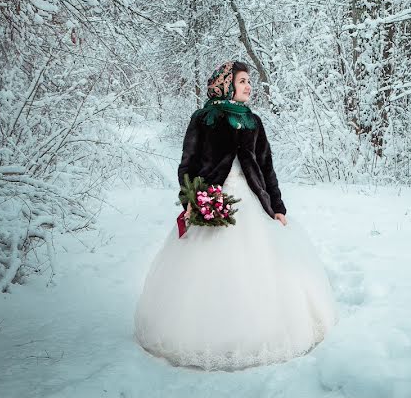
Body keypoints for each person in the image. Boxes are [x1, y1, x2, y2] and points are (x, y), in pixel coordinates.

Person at [134, 61, 337, 370]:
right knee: (205, 270)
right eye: (242, 81)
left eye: (249, 82)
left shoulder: (253, 121)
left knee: (264, 269)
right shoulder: (204, 119)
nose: (248, 86)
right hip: (213, 201)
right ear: (225, 84)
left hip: (253, 204)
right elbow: (187, 163)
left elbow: (267, 167)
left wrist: (278, 207)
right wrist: (190, 198)